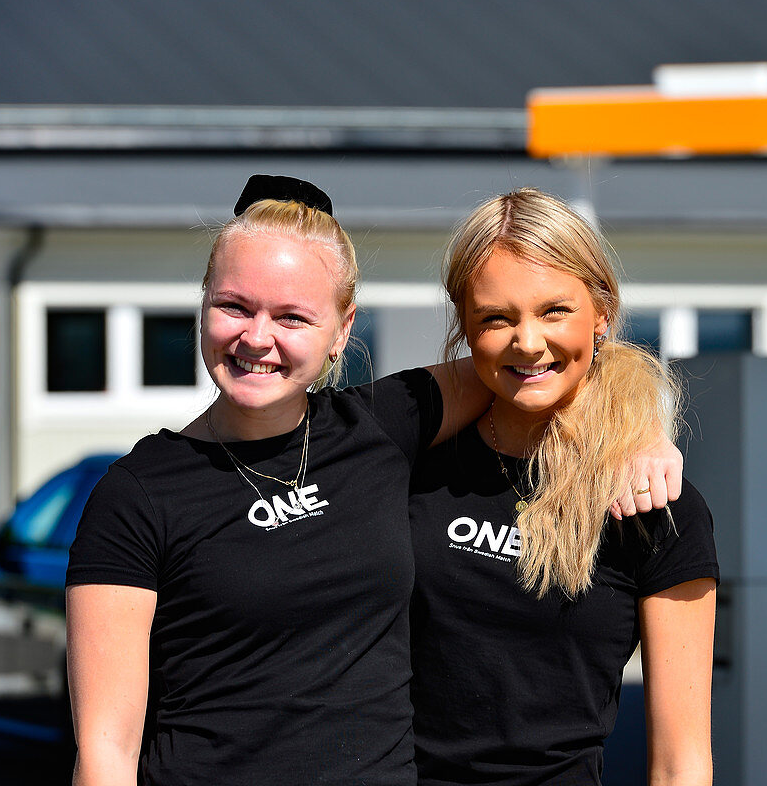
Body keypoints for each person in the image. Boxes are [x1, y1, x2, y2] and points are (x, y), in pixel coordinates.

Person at [65, 176, 684, 786]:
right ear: (203, 307)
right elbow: (105, 754)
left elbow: (540, 359)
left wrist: (640, 428)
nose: (258, 337)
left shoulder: (383, 427)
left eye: (293, 317)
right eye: (234, 306)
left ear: (342, 329)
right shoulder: (138, 492)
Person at [408, 188, 719, 786]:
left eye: (554, 311)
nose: (528, 342)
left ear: (601, 310)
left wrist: (639, 416)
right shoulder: (408, 468)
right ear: (464, 325)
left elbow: (682, 763)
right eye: (497, 318)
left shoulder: (655, 503)